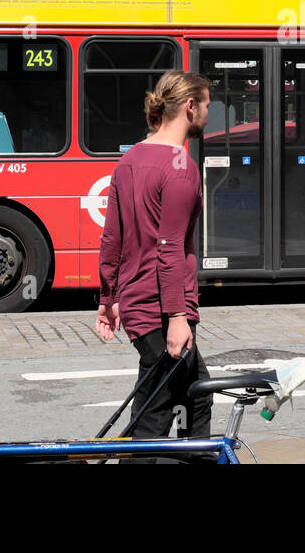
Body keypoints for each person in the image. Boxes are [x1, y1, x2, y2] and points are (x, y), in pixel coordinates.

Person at [96, 70, 214, 446]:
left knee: (194, 394)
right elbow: (169, 247)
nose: (210, 113)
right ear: (190, 107)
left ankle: (194, 456)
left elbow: (111, 237)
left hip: (137, 302)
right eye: (208, 104)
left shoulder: (130, 159)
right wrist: (178, 318)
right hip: (161, 309)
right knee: (156, 412)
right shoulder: (181, 169)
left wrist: (107, 298)